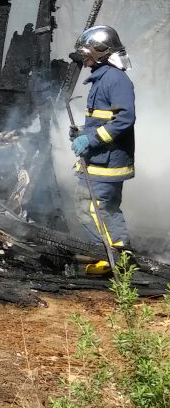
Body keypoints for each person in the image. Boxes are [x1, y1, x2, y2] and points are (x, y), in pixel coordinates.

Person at [69, 25, 135, 262]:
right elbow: (104, 119)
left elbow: (125, 119)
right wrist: (82, 132)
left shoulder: (115, 80)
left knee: (91, 209)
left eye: (86, 54)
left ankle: (110, 258)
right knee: (104, 210)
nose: (84, 59)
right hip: (100, 158)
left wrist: (91, 139)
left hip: (106, 162)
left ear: (100, 51)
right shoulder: (103, 78)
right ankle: (119, 255)